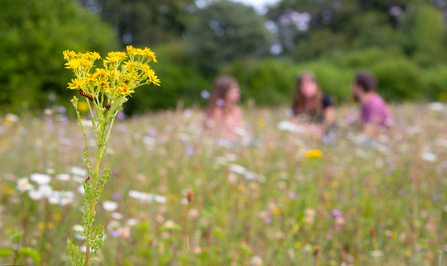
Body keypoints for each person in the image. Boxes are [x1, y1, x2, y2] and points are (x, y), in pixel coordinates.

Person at [352, 71, 394, 137]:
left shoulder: (375, 104)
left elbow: (371, 131)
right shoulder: (365, 103)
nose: (351, 88)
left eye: (353, 85)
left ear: (360, 87)